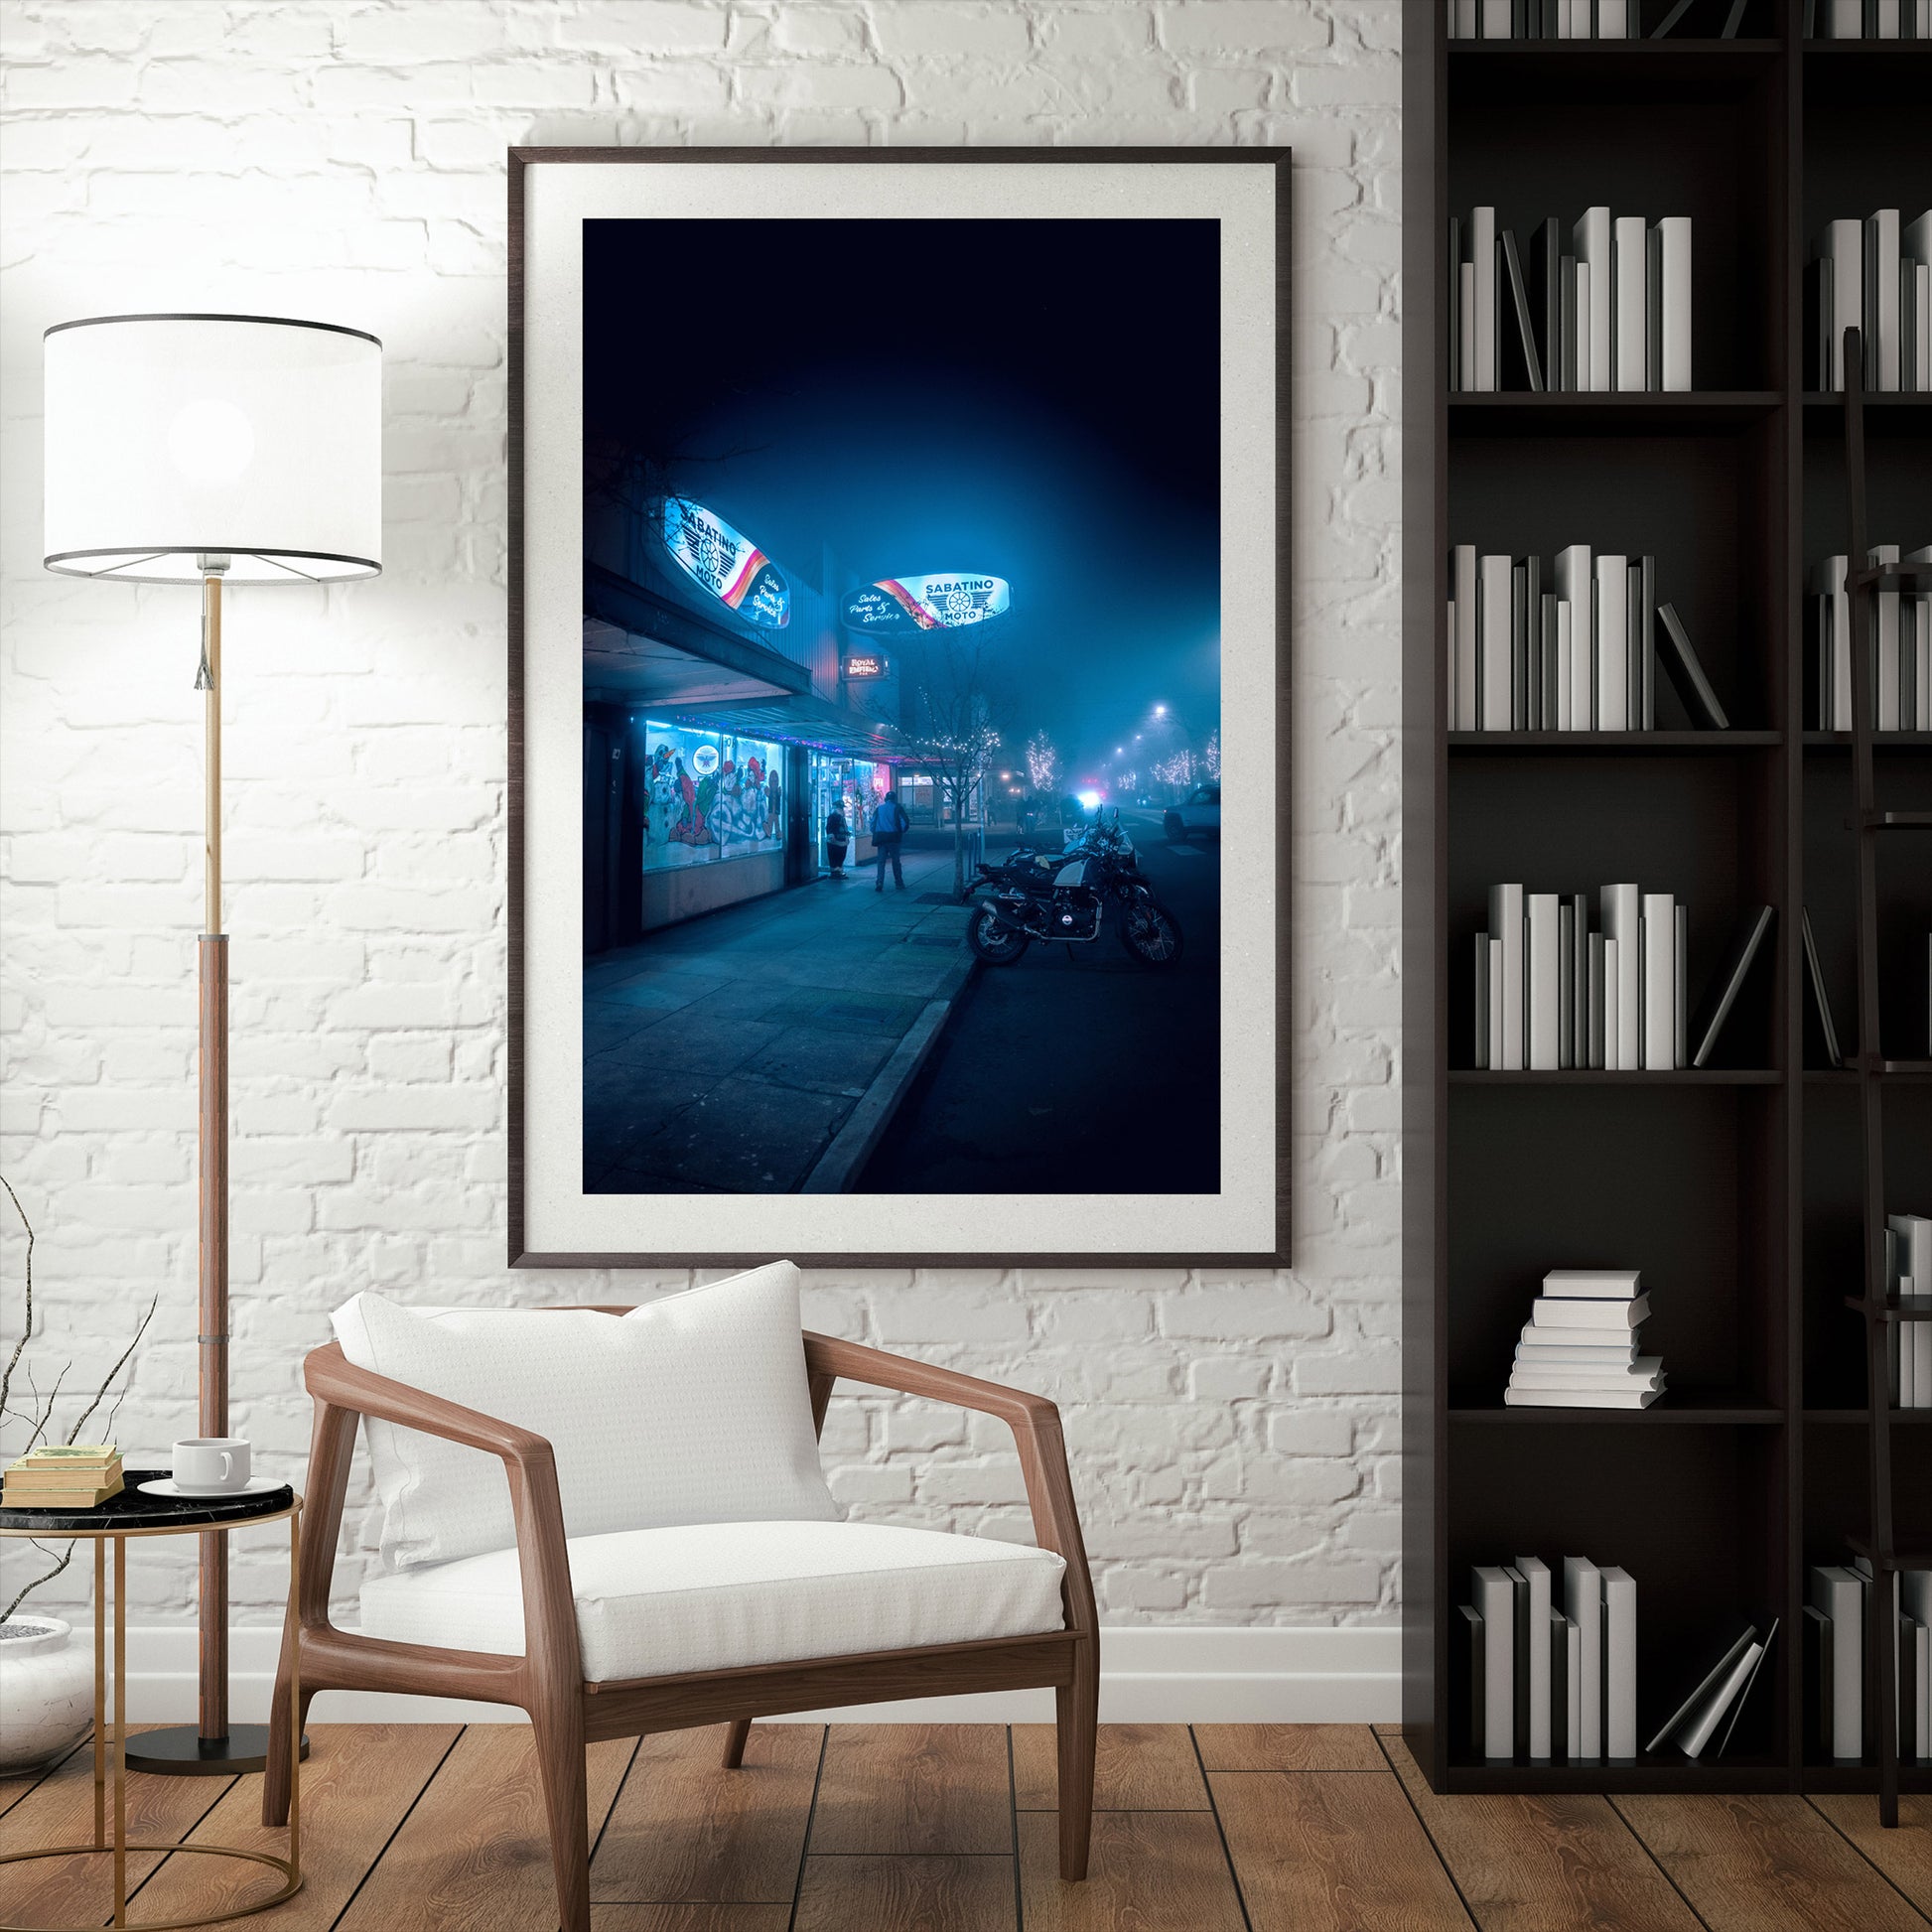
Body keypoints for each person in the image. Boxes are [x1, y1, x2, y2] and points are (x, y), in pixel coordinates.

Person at [871, 787, 909, 892]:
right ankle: (899, 883)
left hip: (881, 838)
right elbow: (904, 823)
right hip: (894, 838)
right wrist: (900, 831)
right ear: (895, 799)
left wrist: (875, 832)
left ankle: (879, 882)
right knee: (896, 861)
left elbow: (872, 823)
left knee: (881, 862)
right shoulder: (898, 808)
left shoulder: (879, 809)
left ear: (885, 799)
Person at [825, 803, 849, 878]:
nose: (842, 810)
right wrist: (832, 837)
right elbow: (829, 828)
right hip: (835, 841)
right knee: (835, 857)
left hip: (841, 841)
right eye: (841, 808)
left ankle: (838, 871)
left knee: (840, 856)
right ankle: (835, 872)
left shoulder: (841, 817)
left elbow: (844, 827)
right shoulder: (832, 817)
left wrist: (846, 836)